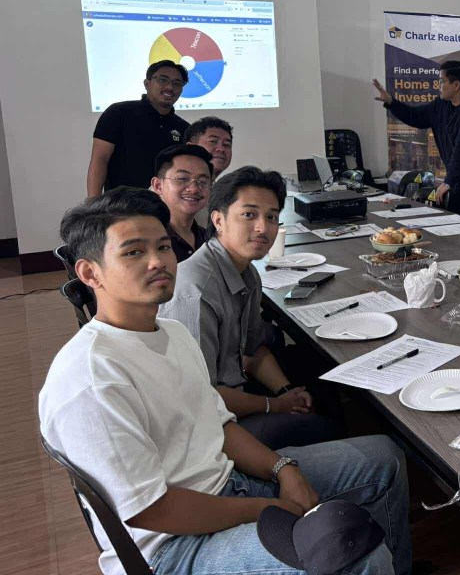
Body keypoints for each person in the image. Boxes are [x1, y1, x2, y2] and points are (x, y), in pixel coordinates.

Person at [40, 188, 411, 575]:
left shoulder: (171, 333)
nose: (157, 262)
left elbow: (218, 423)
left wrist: (284, 469)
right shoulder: (93, 378)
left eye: (163, 247)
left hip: (229, 482)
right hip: (175, 548)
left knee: (384, 458)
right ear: (90, 273)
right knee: (355, 556)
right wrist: (266, 508)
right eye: (133, 252)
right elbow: (152, 509)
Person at [159, 166, 343, 450]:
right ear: (218, 220)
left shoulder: (246, 272)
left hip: (233, 390)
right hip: (207, 428)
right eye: (249, 214)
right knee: (326, 425)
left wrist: (286, 391)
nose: (262, 228)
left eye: (271, 217)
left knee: (319, 374)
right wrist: (276, 405)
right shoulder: (195, 292)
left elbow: (253, 348)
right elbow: (201, 396)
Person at [372, 60, 460, 217]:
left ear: (456, 85)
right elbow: (415, 116)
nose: (438, 86)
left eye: (442, 81)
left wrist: (448, 182)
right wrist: (391, 102)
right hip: (458, 182)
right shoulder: (441, 105)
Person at [87, 60, 191, 196]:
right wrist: (92, 203)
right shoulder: (118, 113)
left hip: (165, 205)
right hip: (121, 203)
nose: (170, 87)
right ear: (147, 84)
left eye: (177, 83)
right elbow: (100, 159)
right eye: (163, 80)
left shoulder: (184, 128)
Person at [150, 144, 212, 262]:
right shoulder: (146, 236)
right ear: (158, 186)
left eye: (203, 181)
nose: (194, 189)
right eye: (182, 178)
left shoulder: (209, 240)